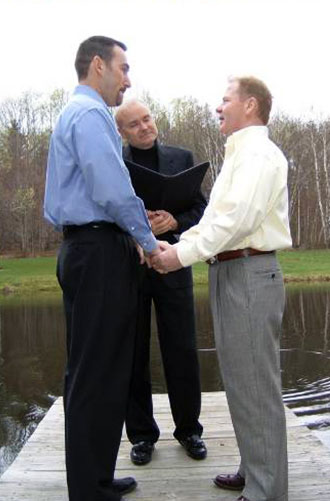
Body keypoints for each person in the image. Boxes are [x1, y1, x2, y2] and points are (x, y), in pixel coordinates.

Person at [151, 76, 291, 501]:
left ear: (250, 105)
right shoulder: (239, 155)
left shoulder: (259, 156)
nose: (218, 107)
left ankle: (268, 491)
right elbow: (215, 222)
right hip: (232, 272)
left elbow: (236, 223)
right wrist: (179, 244)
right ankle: (254, 469)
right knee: (240, 381)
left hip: (249, 272)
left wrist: (178, 257)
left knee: (256, 387)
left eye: (225, 99)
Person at [44, 36, 161, 501]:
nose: (128, 80)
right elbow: (112, 190)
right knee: (99, 373)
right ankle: (90, 489)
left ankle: (94, 475)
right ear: (98, 65)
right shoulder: (91, 114)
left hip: (83, 250)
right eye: (123, 68)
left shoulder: (75, 113)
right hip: (97, 251)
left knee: (91, 370)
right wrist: (147, 241)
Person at [115, 100, 207, 465]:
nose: (144, 127)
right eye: (134, 124)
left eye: (147, 119)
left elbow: (201, 209)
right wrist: (138, 229)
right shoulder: (115, 163)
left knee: (182, 351)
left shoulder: (181, 157)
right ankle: (141, 436)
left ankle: (190, 431)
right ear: (122, 132)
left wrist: (174, 222)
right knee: (134, 354)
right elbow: (106, 211)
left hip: (174, 266)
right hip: (130, 269)